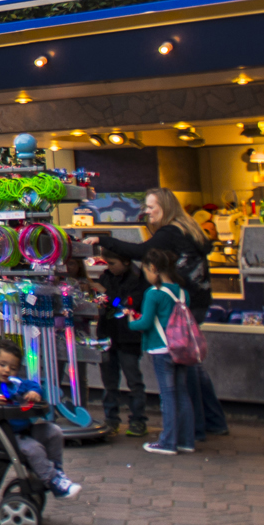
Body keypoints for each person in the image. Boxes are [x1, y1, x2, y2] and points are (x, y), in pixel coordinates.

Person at [97, 187, 228, 440]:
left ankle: (190, 430)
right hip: (193, 300)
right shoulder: (188, 229)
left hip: (174, 310)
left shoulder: (169, 233)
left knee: (181, 372)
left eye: (150, 206)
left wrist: (103, 240)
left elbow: (139, 253)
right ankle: (210, 421)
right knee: (193, 365)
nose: (146, 211)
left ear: (164, 208)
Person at [0, 339, 82, 498]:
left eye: (13, 368)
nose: (6, 371)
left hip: (23, 430)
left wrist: (35, 393)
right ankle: (52, 480)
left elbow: (32, 385)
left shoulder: (15, 383)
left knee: (54, 431)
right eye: (2, 364)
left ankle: (56, 471)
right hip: (1, 435)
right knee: (33, 449)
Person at [130, 247, 195, 455]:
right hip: (181, 348)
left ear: (153, 268)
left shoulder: (154, 294)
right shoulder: (183, 292)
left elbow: (146, 323)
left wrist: (132, 321)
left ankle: (168, 442)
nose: (146, 276)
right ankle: (186, 440)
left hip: (161, 348)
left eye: (146, 271)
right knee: (183, 394)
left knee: (167, 395)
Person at [90, 252, 149, 436]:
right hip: (108, 334)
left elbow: (125, 304)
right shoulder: (107, 276)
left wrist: (105, 294)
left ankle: (138, 420)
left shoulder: (138, 280)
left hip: (128, 337)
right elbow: (104, 303)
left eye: (113, 263)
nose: (110, 267)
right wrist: (99, 298)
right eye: (108, 263)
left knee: (134, 381)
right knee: (109, 382)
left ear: (126, 261)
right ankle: (111, 419)